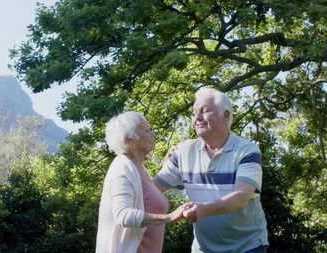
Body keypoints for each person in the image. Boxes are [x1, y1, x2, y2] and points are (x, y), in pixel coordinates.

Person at [154, 88, 269, 253]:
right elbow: (153, 189)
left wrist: (204, 209)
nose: (197, 118)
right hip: (203, 249)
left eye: (205, 111)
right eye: (194, 113)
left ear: (226, 116)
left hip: (247, 247)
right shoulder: (183, 152)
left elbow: (241, 198)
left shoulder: (247, 151)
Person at [96, 111, 186, 253]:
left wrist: (166, 166)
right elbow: (122, 215)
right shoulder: (123, 167)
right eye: (146, 130)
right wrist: (169, 218)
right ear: (129, 140)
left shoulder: (137, 168)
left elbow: (148, 196)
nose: (152, 134)